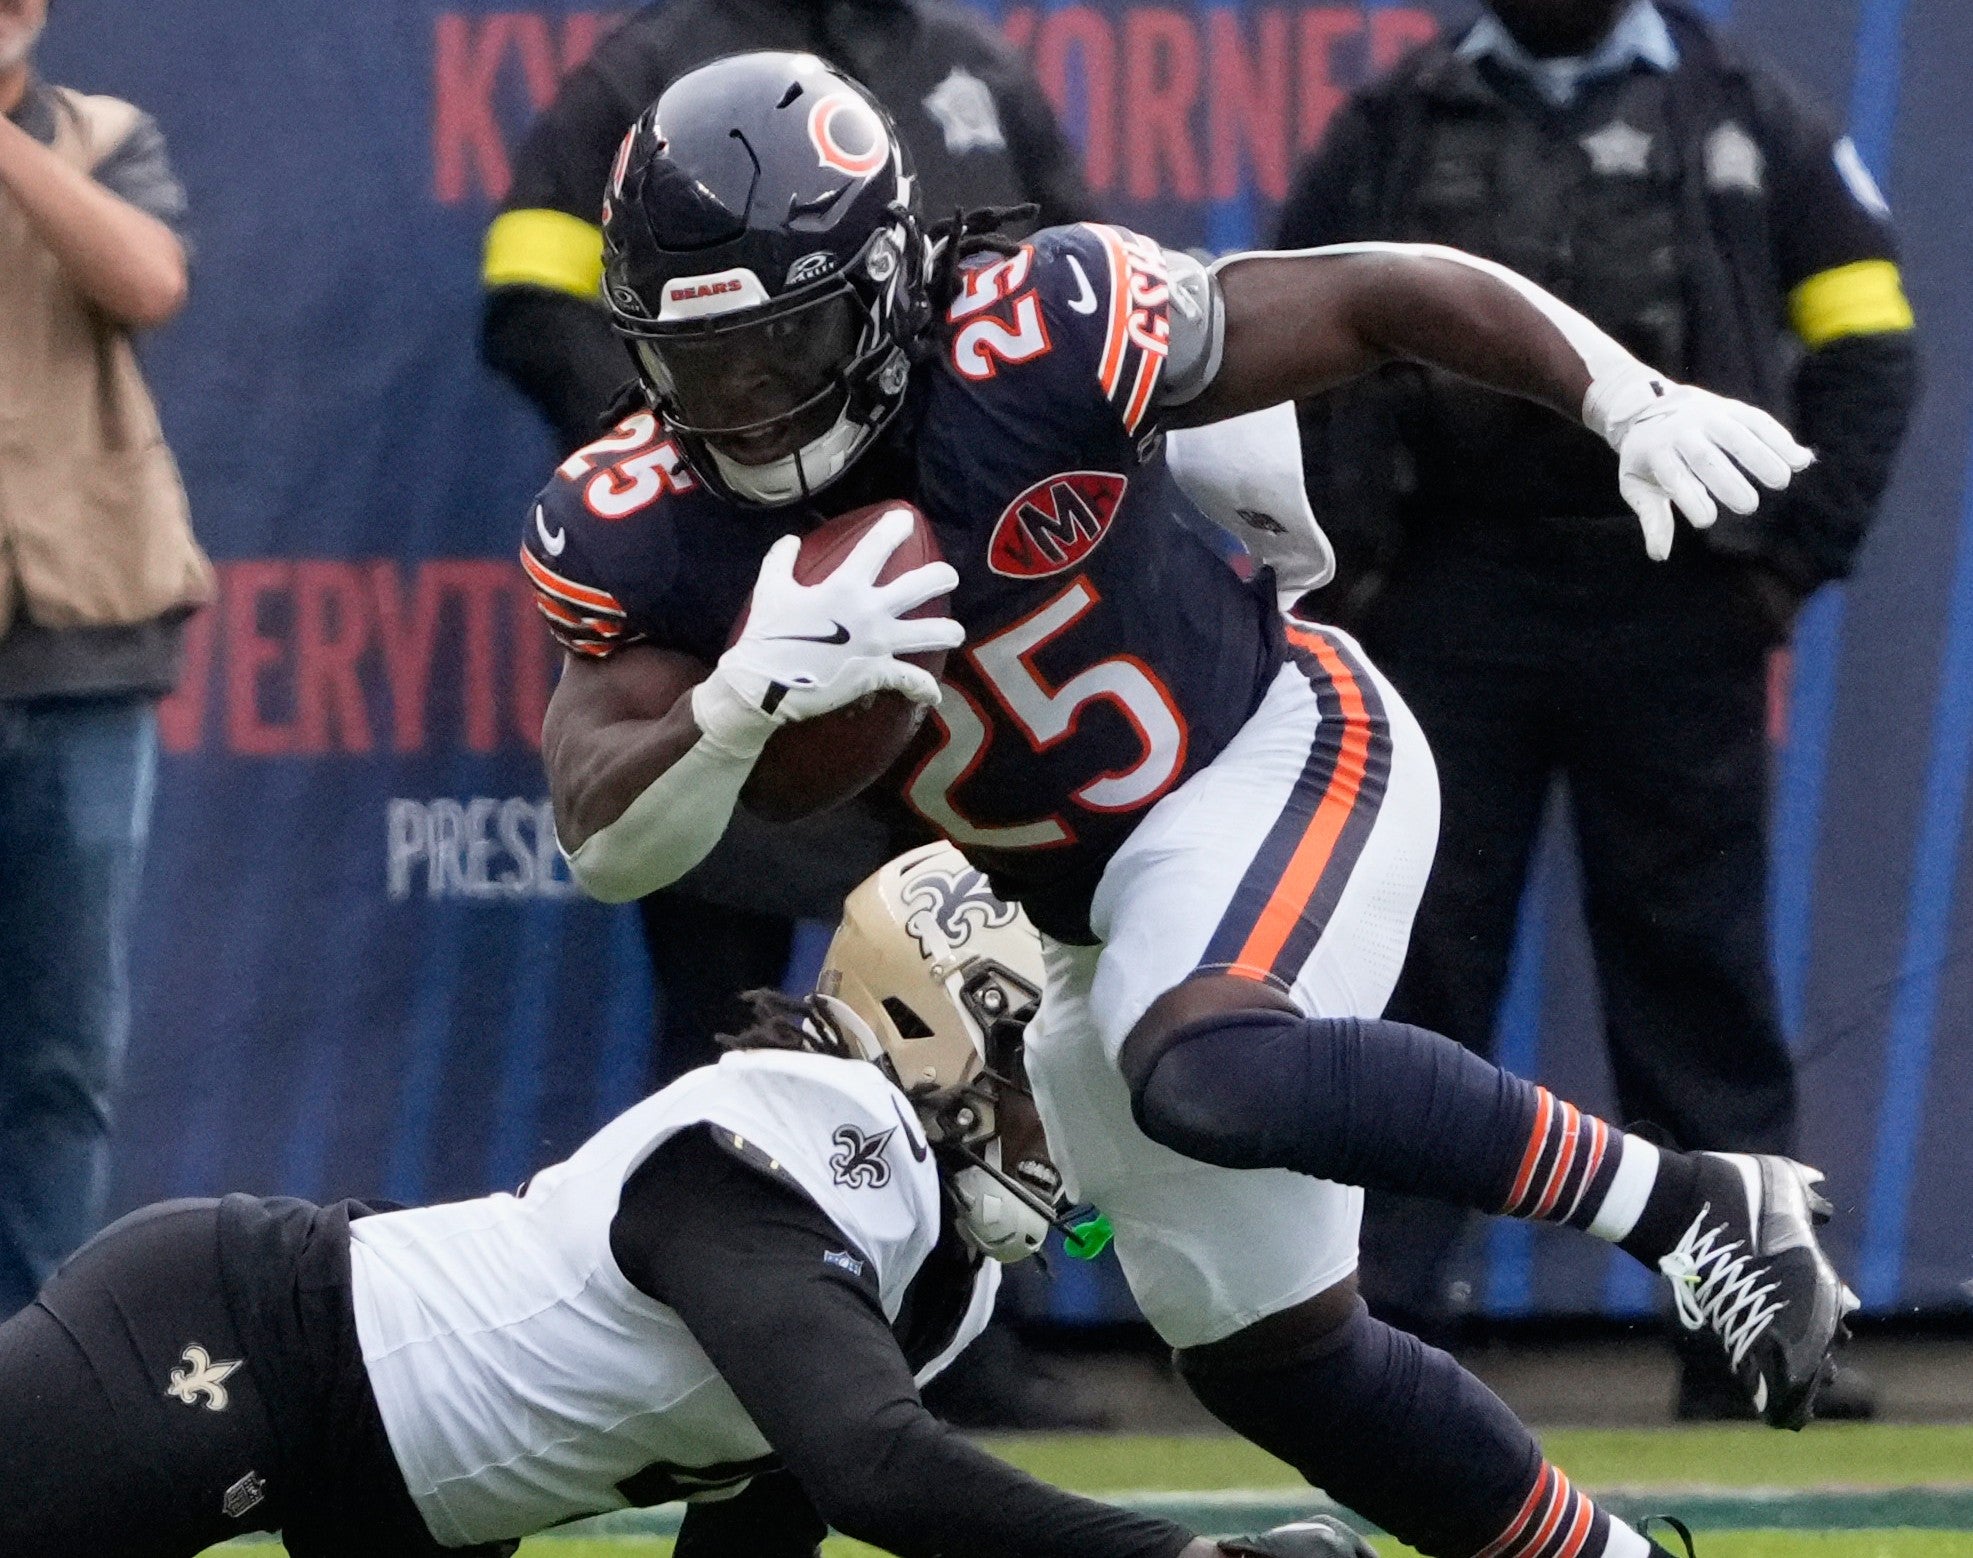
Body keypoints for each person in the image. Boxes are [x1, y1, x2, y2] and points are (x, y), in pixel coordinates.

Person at [525, 52, 1849, 1558]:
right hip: (1078, 918)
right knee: (1269, 1353)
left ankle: (1690, 1202)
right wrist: (734, 702)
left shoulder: (1036, 330)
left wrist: (1616, 391)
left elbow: (1374, 294)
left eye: (786, 345)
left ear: (886, 280)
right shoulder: (630, 516)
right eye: (708, 367)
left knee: (1206, 1063)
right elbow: (606, 838)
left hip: (1271, 746)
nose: (751, 408)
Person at [0, 838, 1372, 1558]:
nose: (1068, 1124)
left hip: (403, 1496)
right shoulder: (772, 1137)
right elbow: (876, 1468)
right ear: (935, 1024)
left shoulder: (939, 1276)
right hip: (225, 1349)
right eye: (1037, 1073)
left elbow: (761, 1527)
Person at [1271, 0, 1917, 1416]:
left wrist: (1785, 561)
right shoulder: (1397, 119)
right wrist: (1351, 565)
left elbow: (1869, 340)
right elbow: (1270, 342)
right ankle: (1361, 1340)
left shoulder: (1745, 110)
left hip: (1674, 597)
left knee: (1695, 974)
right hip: (1444, 600)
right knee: (1414, 964)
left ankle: (1757, 1343)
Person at [0, 0, 210, 1318]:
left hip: (84, 657)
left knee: (62, 1056)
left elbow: (147, 283)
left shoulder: (102, 135)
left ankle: (32, 1381)